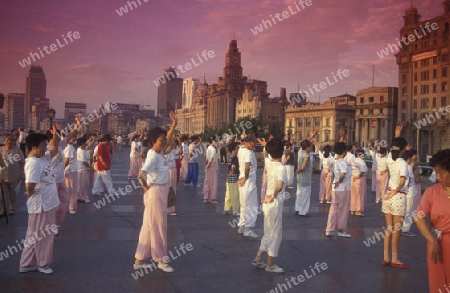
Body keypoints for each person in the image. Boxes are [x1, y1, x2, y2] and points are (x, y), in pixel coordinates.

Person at [134, 111, 177, 273]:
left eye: (164, 139)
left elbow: (170, 137)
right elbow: (140, 174)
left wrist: (173, 125)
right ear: (153, 141)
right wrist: (145, 187)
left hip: (159, 191)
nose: (164, 142)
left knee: (149, 226)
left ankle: (139, 259)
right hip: (155, 192)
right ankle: (161, 259)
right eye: (161, 140)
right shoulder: (153, 156)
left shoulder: (158, 152)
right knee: (159, 226)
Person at [19, 131, 59, 274]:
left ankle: (26, 264)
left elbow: (54, 148)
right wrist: (30, 196)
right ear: (34, 147)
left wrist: (54, 135)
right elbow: (29, 185)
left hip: (47, 203)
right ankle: (43, 264)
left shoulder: (42, 158)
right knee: (43, 235)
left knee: (33, 234)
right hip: (42, 205)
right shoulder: (33, 163)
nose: (46, 147)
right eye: (43, 145)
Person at [414, 149, 450, 293]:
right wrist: (432, 240)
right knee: (438, 284)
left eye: (442, 173)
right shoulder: (432, 192)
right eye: (436, 172)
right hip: (438, 244)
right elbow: (418, 216)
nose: (438, 177)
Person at [252, 138, 289, 273]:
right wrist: (273, 194)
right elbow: (279, 186)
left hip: (267, 202)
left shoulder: (268, 163)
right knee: (275, 233)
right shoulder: (281, 168)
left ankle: (258, 257)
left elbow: (266, 155)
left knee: (268, 232)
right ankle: (270, 263)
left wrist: (265, 145)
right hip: (274, 202)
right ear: (282, 151)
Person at [382, 132, 410, 269]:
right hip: (398, 197)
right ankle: (395, 258)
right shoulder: (402, 163)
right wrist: (395, 191)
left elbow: (390, 151)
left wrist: (396, 134)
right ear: (403, 150)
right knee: (396, 230)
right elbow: (403, 180)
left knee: (388, 228)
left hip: (387, 197)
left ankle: (385, 257)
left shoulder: (389, 159)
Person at [325, 142, 352, 238]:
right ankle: (341, 230)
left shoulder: (334, 160)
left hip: (335, 188)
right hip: (343, 187)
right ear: (344, 152)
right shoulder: (343, 162)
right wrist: (339, 181)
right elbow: (343, 173)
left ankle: (329, 229)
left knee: (333, 208)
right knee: (343, 209)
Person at [237, 135, 259, 238]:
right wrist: (245, 178)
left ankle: (241, 226)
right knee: (252, 206)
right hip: (248, 181)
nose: (255, 145)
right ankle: (248, 228)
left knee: (243, 205)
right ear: (249, 142)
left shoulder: (241, 149)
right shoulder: (249, 153)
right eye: (254, 143)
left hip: (241, 179)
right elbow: (247, 167)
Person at [0, 134, 25, 216]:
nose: (9, 142)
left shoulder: (17, 150)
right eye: (8, 140)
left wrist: (22, 172)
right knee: (2, 194)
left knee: (14, 193)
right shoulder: (1, 150)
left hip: (15, 174)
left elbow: (22, 162)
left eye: (11, 140)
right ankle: (2, 209)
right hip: (3, 175)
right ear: (4, 141)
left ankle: (11, 207)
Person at [401, 149, 418, 236]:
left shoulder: (403, 165)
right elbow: (409, 179)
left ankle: (401, 227)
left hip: (404, 191)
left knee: (405, 210)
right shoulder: (408, 167)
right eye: (415, 156)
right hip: (409, 190)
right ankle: (405, 229)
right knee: (409, 210)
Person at [295, 139, 312, 217]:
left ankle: (297, 208)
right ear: (307, 148)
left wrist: (312, 136)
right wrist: (300, 170)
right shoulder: (306, 155)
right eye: (310, 147)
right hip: (305, 178)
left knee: (299, 194)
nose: (311, 148)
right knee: (305, 195)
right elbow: (304, 166)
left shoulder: (300, 151)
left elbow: (304, 143)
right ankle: (303, 212)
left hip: (299, 178)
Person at [223, 142, 240, 216]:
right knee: (235, 195)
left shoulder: (230, 156)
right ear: (234, 149)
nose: (238, 149)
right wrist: (233, 171)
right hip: (233, 178)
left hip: (228, 179)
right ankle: (235, 211)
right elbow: (233, 166)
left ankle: (226, 209)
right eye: (237, 147)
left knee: (228, 195)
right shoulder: (235, 157)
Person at [64, 135, 79, 214]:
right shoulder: (69, 147)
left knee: (71, 189)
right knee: (71, 189)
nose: (74, 138)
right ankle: (70, 207)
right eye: (72, 137)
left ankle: (71, 206)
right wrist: (63, 169)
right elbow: (67, 160)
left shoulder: (70, 146)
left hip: (72, 169)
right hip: (70, 170)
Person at [350, 149, 368, 217]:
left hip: (352, 178)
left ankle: (352, 209)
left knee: (353, 194)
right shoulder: (362, 162)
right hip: (360, 178)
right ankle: (358, 210)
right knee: (360, 195)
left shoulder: (353, 161)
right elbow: (363, 171)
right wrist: (358, 177)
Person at [76, 137, 92, 203]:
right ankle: (83, 197)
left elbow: (88, 147)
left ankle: (79, 196)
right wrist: (90, 166)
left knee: (80, 184)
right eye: (85, 143)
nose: (85, 145)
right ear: (82, 144)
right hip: (83, 169)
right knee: (83, 185)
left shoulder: (80, 150)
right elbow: (83, 161)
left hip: (81, 169)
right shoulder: (81, 151)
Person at [203, 138, 218, 204]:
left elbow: (207, 158)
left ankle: (206, 197)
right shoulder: (213, 149)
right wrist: (209, 164)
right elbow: (211, 158)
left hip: (208, 165)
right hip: (212, 165)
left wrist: (206, 164)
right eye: (215, 141)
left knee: (207, 181)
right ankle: (212, 198)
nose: (216, 142)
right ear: (212, 141)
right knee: (214, 182)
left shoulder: (208, 148)